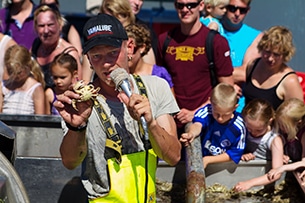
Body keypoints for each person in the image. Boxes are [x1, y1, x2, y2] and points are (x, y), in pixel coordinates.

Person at [53, 14, 181, 202]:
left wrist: (151, 123)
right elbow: (70, 162)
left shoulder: (155, 87)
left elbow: (174, 156)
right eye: (97, 56)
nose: (106, 63)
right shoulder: (80, 101)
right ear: (88, 59)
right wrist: (76, 127)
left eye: (113, 52)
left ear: (128, 48)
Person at [157, 0, 234, 136]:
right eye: (180, 5)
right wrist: (172, 112)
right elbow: (160, 82)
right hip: (171, 122)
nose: (185, 9)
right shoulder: (164, 40)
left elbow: (227, 90)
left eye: (191, 5)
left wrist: (196, 113)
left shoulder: (216, 42)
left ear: (201, 5)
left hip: (206, 125)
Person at [180, 83, 246, 168]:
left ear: (235, 107)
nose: (220, 118)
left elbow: (235, 153)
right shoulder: (207, 112)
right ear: (210, 102)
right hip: (202, 160)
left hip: (222, 167)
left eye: (225, 115)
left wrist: (209, 160)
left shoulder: (239, 127)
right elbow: (197, 124)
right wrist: (191, 133)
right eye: (217, 113)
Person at [243, 26, 303, 110]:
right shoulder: (253, 65)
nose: (270, 58)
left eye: (276, 54)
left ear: (285, 55)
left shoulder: (290, 81)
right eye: (267, 52)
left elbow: (297, 115)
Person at [233, 98, 284, 192]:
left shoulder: (274, 140)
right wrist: (241, 155)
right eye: (249, 128)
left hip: (263, 184)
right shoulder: (242, 129)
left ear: (270, 121)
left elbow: (277, 173)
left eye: (259, 130)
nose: (253, 133)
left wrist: (250, 183)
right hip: (243, 176)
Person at [221, 0, 262, 112]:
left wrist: (217, 76)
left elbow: (246, 73)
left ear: (248, 11)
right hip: (210, 105)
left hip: (239, 107)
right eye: (232, 8)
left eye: (242, 10)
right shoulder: (211, 27)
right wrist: (227, 84)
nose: (237, 13)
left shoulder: (255, 36)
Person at [31, 4, 82, 89]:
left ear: (60, 25)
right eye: (41, 26)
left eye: (50, 25)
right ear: (36, 28)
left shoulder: (70, 53)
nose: (46, 31)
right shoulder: (36, 45)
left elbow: (78, 88)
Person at [100, 0, 156, 65]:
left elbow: (150, 70)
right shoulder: (96, 37)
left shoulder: (143, 35)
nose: (137, 3)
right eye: (109, 18)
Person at [125, 23, 174, 91]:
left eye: (131, 49)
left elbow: (170, 100)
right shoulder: (120, 75)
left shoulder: (159, 74)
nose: (127, 55)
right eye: (123, 50)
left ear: (142, 48)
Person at [266, 98, 305, 184]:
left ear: (299, 122)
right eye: (279, 124)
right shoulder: (284, 131)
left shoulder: (303, 135)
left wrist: (282, 168)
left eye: (284, 125)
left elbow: (304, 162)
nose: (281, 128)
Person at [0, 45, 45, 114]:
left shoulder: (35, 88)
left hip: (26, 124)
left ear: (28, 66)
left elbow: (40, 117)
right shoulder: (4, 86)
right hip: (5, 123)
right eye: (10, 71)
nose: (14, 76)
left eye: (19, 72)